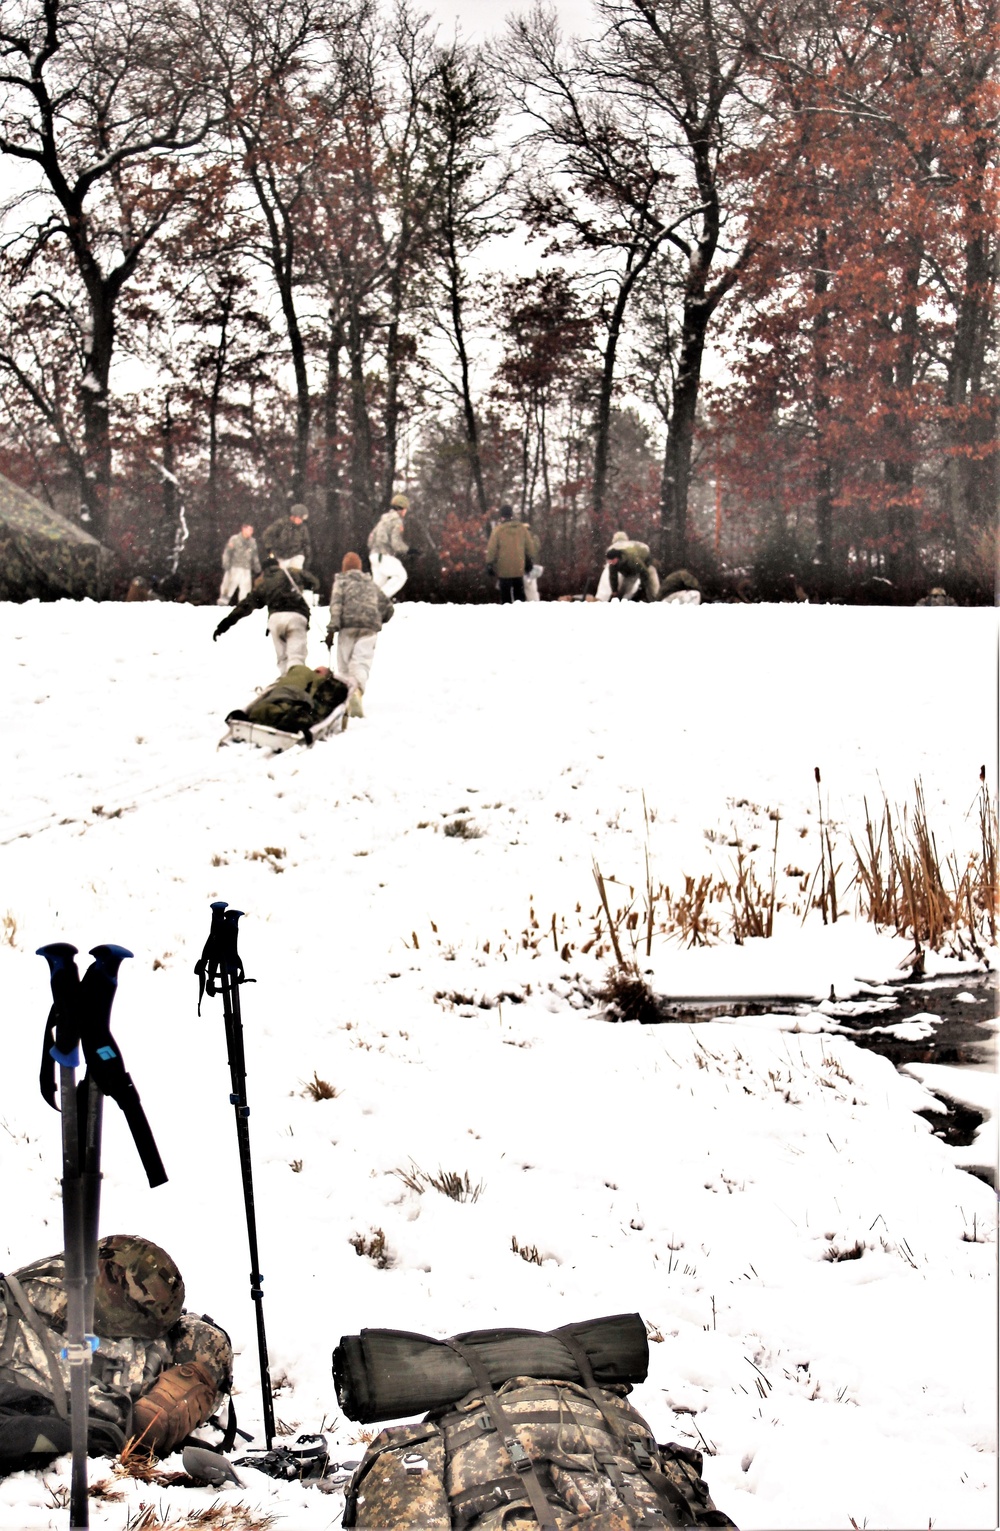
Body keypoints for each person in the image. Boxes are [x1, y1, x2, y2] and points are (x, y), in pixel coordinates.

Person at [213, 554, 321, 675]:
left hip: (275, 620)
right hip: (296, 616)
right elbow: (315, 583)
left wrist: (225, 624)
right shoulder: (293, 573)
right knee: (296, 659)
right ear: (278, 565)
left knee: (282, 661)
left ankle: (284, 686)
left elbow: (245, 606)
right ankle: (297, 686)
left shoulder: (263, 584)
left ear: (264, 571)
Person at [325, 551, 395, 718]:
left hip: (347, 627)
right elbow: (389, 608)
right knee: (361, 662)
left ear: (344, 568)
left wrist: (332, 629)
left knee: (343, 666)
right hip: (369, 628)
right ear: (360, 568)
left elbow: (336, 605)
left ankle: (344, 698)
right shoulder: (371, 584)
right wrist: (377, 619)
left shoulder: (341, 582)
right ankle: (356, 691)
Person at [485, 504, 539, 603]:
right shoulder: (522, 529)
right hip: (519, 568)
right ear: (512, 515)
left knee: (506, 598)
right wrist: (529, 560)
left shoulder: (498, 530)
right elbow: (530, 547)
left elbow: (491, 548)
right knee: (519, 596)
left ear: (502, 517)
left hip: (503, 569)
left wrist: (489, 563)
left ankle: (507, 615)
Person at [596, 531, 660, 602]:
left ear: (617, 558)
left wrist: (642, 587)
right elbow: (613, 576)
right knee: (622, 591)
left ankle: (656, 604)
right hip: (629, 571)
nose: (611, 563)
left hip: (646, 566)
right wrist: (614, 591)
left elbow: (644, 572)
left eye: (612, 560)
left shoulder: (631, 558)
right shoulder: (613, 561)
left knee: (653, 591)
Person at [368, 493, 411, 597]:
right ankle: (381, 600)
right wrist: (409, 550)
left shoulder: (383, 520)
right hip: (384, 556)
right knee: (401, 576)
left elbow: (370, 540)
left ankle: (370, 607)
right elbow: (396, 543)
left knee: (377, 587)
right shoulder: (396, 521)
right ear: (402, 509)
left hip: (374, 556)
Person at [217, 524, 261, 605]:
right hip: (234, 567)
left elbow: (255, 555)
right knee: (229, 585)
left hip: (246, 568)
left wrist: (257, 566)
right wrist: (226, 563)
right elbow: (227, 552)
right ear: (243, 529)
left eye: (252, 530)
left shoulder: (252, 542)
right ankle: (223, 602)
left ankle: (243, 605)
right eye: (249, 529)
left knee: (246, 589)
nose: (251, 532)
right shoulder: (235, 539)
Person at [261, 504, 311, 570]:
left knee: (295, 572)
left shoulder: (303, 528)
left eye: (302, 519)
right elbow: (267, 535)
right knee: (283, 576)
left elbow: (306, 543)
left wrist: (307, 556)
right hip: (281, 555)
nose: (301, 521)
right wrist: (269, 548)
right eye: (300, 518)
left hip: (296, 554)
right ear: (294, 516)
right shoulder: (281, 524)